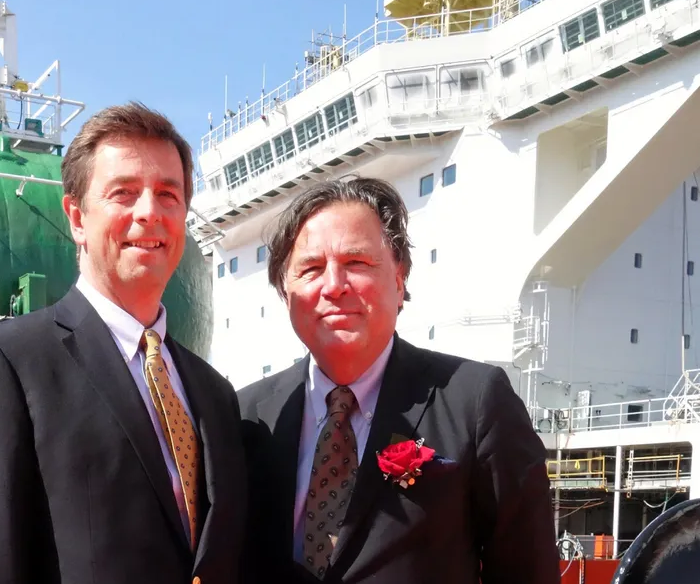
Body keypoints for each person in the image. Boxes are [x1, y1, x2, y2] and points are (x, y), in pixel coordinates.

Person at [0, 102, 247, 584]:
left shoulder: (215, 394)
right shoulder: (6, 365)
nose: (149, 212)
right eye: (124, 192)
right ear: (77, 217)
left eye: (168, 194)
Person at [238, 177, 559, 584]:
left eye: (357, 263)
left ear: (399, 278)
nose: (334, 286)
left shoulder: (476, 401)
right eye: (311, 269)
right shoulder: (245, 417)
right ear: (286, 292)